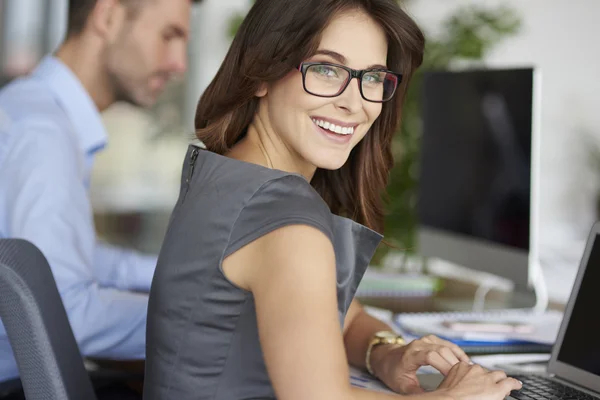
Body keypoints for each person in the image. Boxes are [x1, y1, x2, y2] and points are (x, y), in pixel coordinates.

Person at [144, 0, 523, 399]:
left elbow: (336, 314)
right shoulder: (286, 224)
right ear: (261, 73)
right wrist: (452, 397)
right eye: (326, 69)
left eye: (373, 78)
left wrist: (386, 352)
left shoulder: (227, 176)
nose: (354, 103)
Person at [0, 0, 202, 389]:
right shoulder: (42, 133)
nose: (180, 64)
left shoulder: (37, 115)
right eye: (169, 35)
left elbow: (69, 260)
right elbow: (65, 314)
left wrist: (187, 275)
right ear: (107, 16)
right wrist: (217, 319)